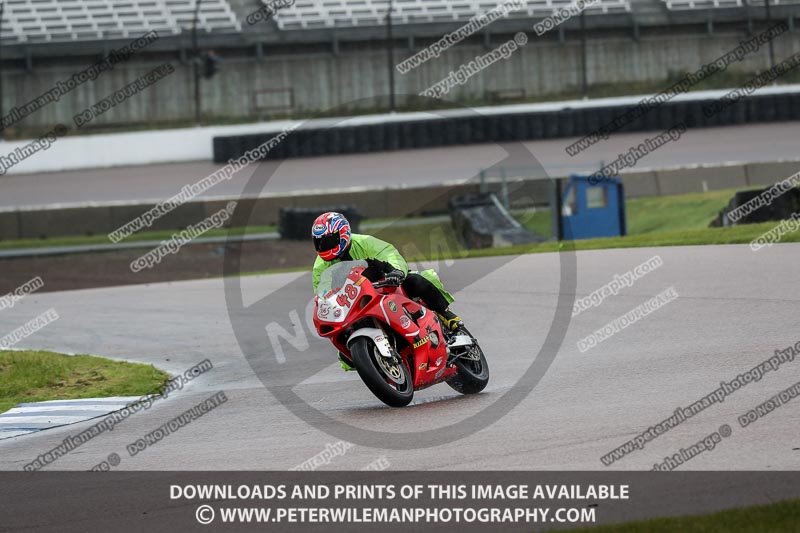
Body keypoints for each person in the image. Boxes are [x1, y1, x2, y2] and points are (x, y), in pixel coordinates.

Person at [311, 211, 464, 371]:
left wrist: (396, 271)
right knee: (345, 351)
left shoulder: (364, 242)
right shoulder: (320, 267)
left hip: (386, 286)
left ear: (342, 234)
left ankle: (447, 316)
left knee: (415, 281)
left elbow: (389, 254)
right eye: (319, 242)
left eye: (327, 241)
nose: (323, 246)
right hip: (357, 303)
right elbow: (324, 295)